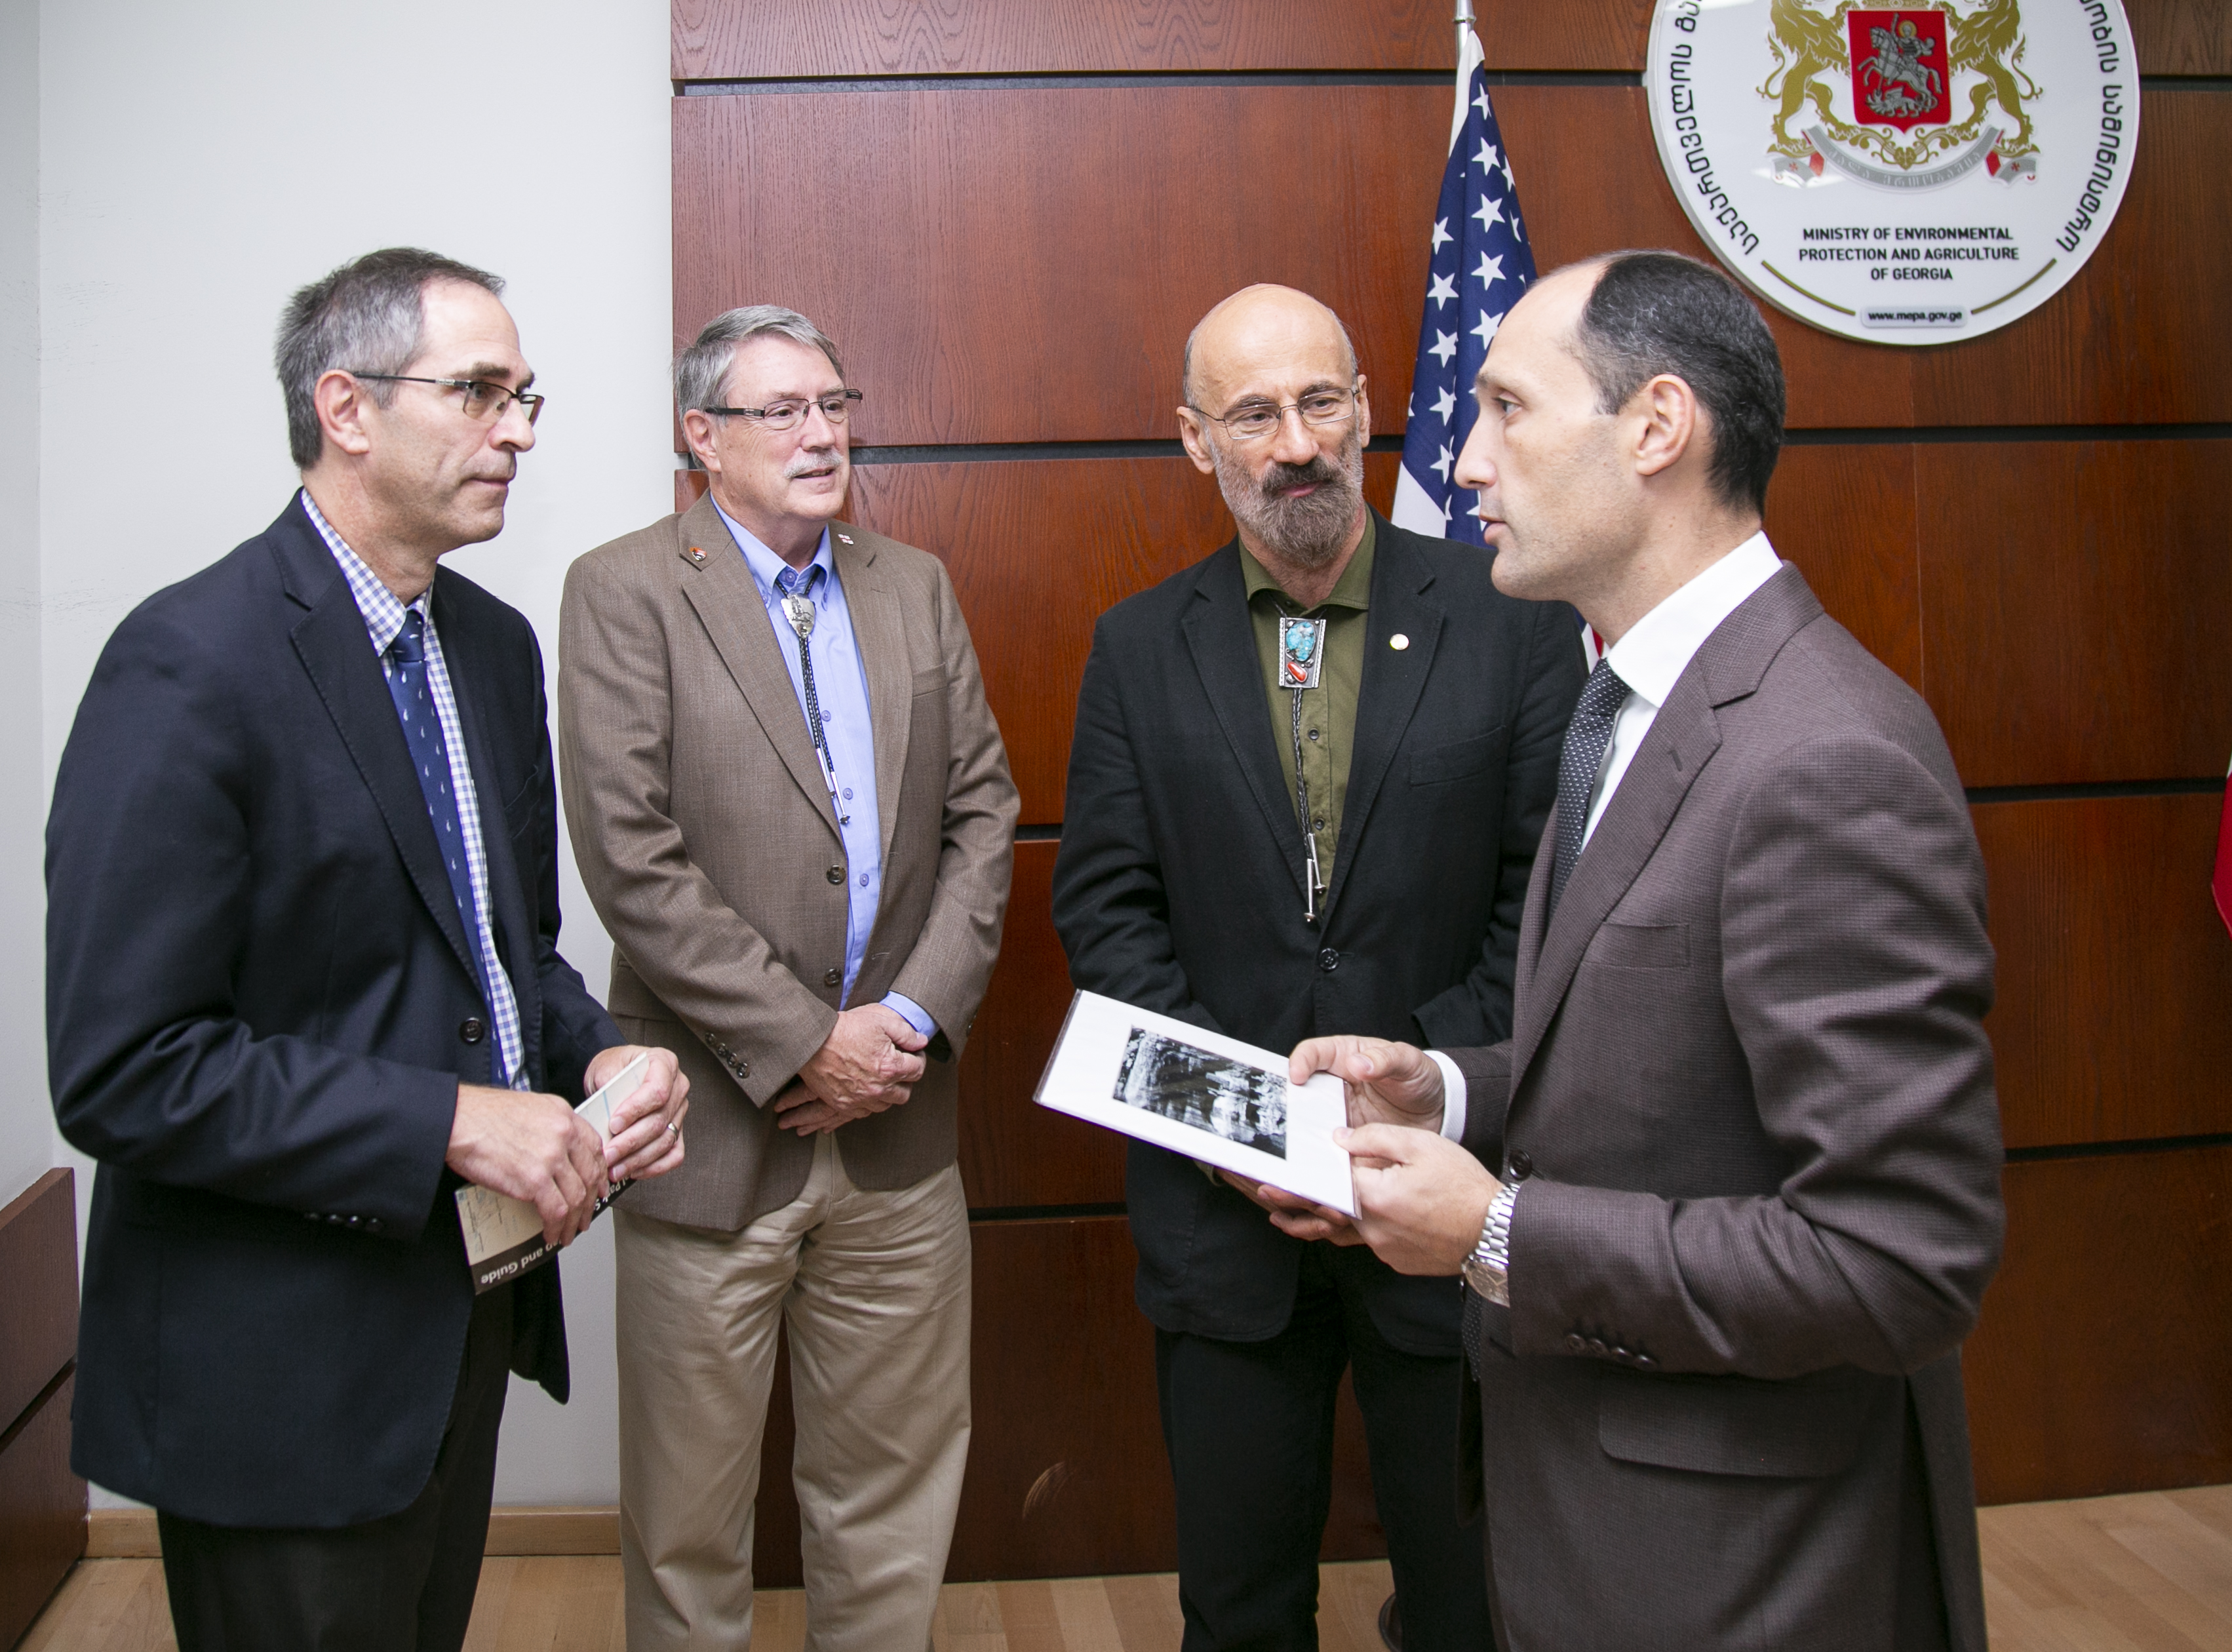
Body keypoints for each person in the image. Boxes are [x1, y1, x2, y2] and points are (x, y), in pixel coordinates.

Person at [1287, 250, 2005, 1652]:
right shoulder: (1625, 699)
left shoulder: (1824, 758)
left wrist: (1494, 1233)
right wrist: (1449, 1093)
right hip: (1590, 1522)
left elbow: (1898, 1260)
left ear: (1657, 427)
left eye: (1506, 409)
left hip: (1740, 1571)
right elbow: (1660, 1061)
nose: (1462, 460)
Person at [47, 247, 689, 1652]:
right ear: (345, 407)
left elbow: (507, 960)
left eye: (524, 397)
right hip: (274, 1371)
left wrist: (603, 1055)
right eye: (478, 393)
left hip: (456, 1319)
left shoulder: (493, 649)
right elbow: (123, 1068)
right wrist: (452, 1121)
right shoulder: (189, 660)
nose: (518, 431)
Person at [1050, 283, 1582, 1651]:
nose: (1295, 443)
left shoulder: (1513, 620)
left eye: (1320, 402)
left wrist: (1406, 1104)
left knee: (1470, 1609)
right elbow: (1106, 916)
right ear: (1195, 440)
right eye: (1252, 414)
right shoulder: (1135, 647)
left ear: (1367, 410)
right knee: (1237, 1613)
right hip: (1223, 1226)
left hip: (1446, 1209)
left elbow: (1543, 904)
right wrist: (1253, 1135)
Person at [557, 305, 1017, 1651]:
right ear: (702, 438)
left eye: (833, 404)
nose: (822, 435)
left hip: (897, 1130)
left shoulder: (910, 582)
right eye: (783, 412)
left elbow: (984, 816)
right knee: (688, 1521)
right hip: (710, 1133)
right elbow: (630, 858)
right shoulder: (624, 588)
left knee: (889, 1497)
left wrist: (905, 1024)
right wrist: (808, 1041)